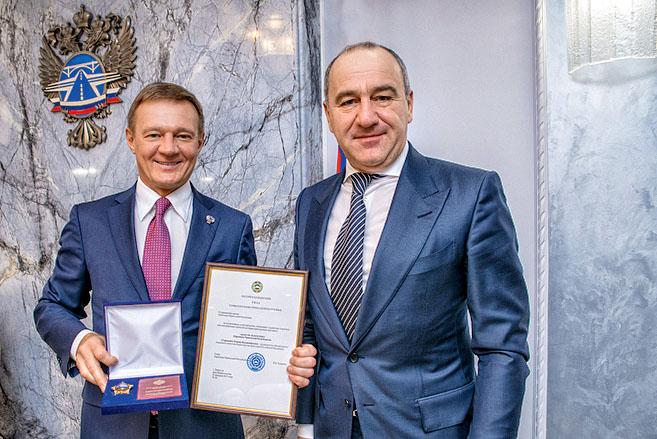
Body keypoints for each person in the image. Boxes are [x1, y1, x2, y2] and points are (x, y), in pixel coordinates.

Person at [34, 82, 315, 439]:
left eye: (182, 135)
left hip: (205, 425)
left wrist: (282, 357)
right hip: (113, 423)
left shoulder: (232, 227)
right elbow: (52, 305)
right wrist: (80, 340)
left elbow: (250, 323)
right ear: (131, 139)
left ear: (200, 141)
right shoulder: (90, 221)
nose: (168, 148)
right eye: (154, 134)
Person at [292, 42, 530, 438]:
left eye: (382, 97)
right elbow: (313, 328)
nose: (366, 116)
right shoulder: (310, 204)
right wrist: (305, 423)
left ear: (409, 104)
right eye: (348, 101)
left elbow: (502, 347)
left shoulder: (469, 194)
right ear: (329, 115)